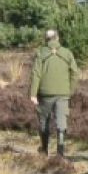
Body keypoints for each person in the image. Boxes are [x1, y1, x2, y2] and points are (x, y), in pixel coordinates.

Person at [28, 28, 78, 157]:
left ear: (46, 39)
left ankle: (44, 149)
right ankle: (60, 151)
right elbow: (75, 73)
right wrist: (70, 91)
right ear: (58, 38)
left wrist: (33, 94)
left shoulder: (40, 53)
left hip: (45, 94)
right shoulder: (67, 53)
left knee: (44, 121)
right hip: (63, 94)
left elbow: (36, 74)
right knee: (61, 122)